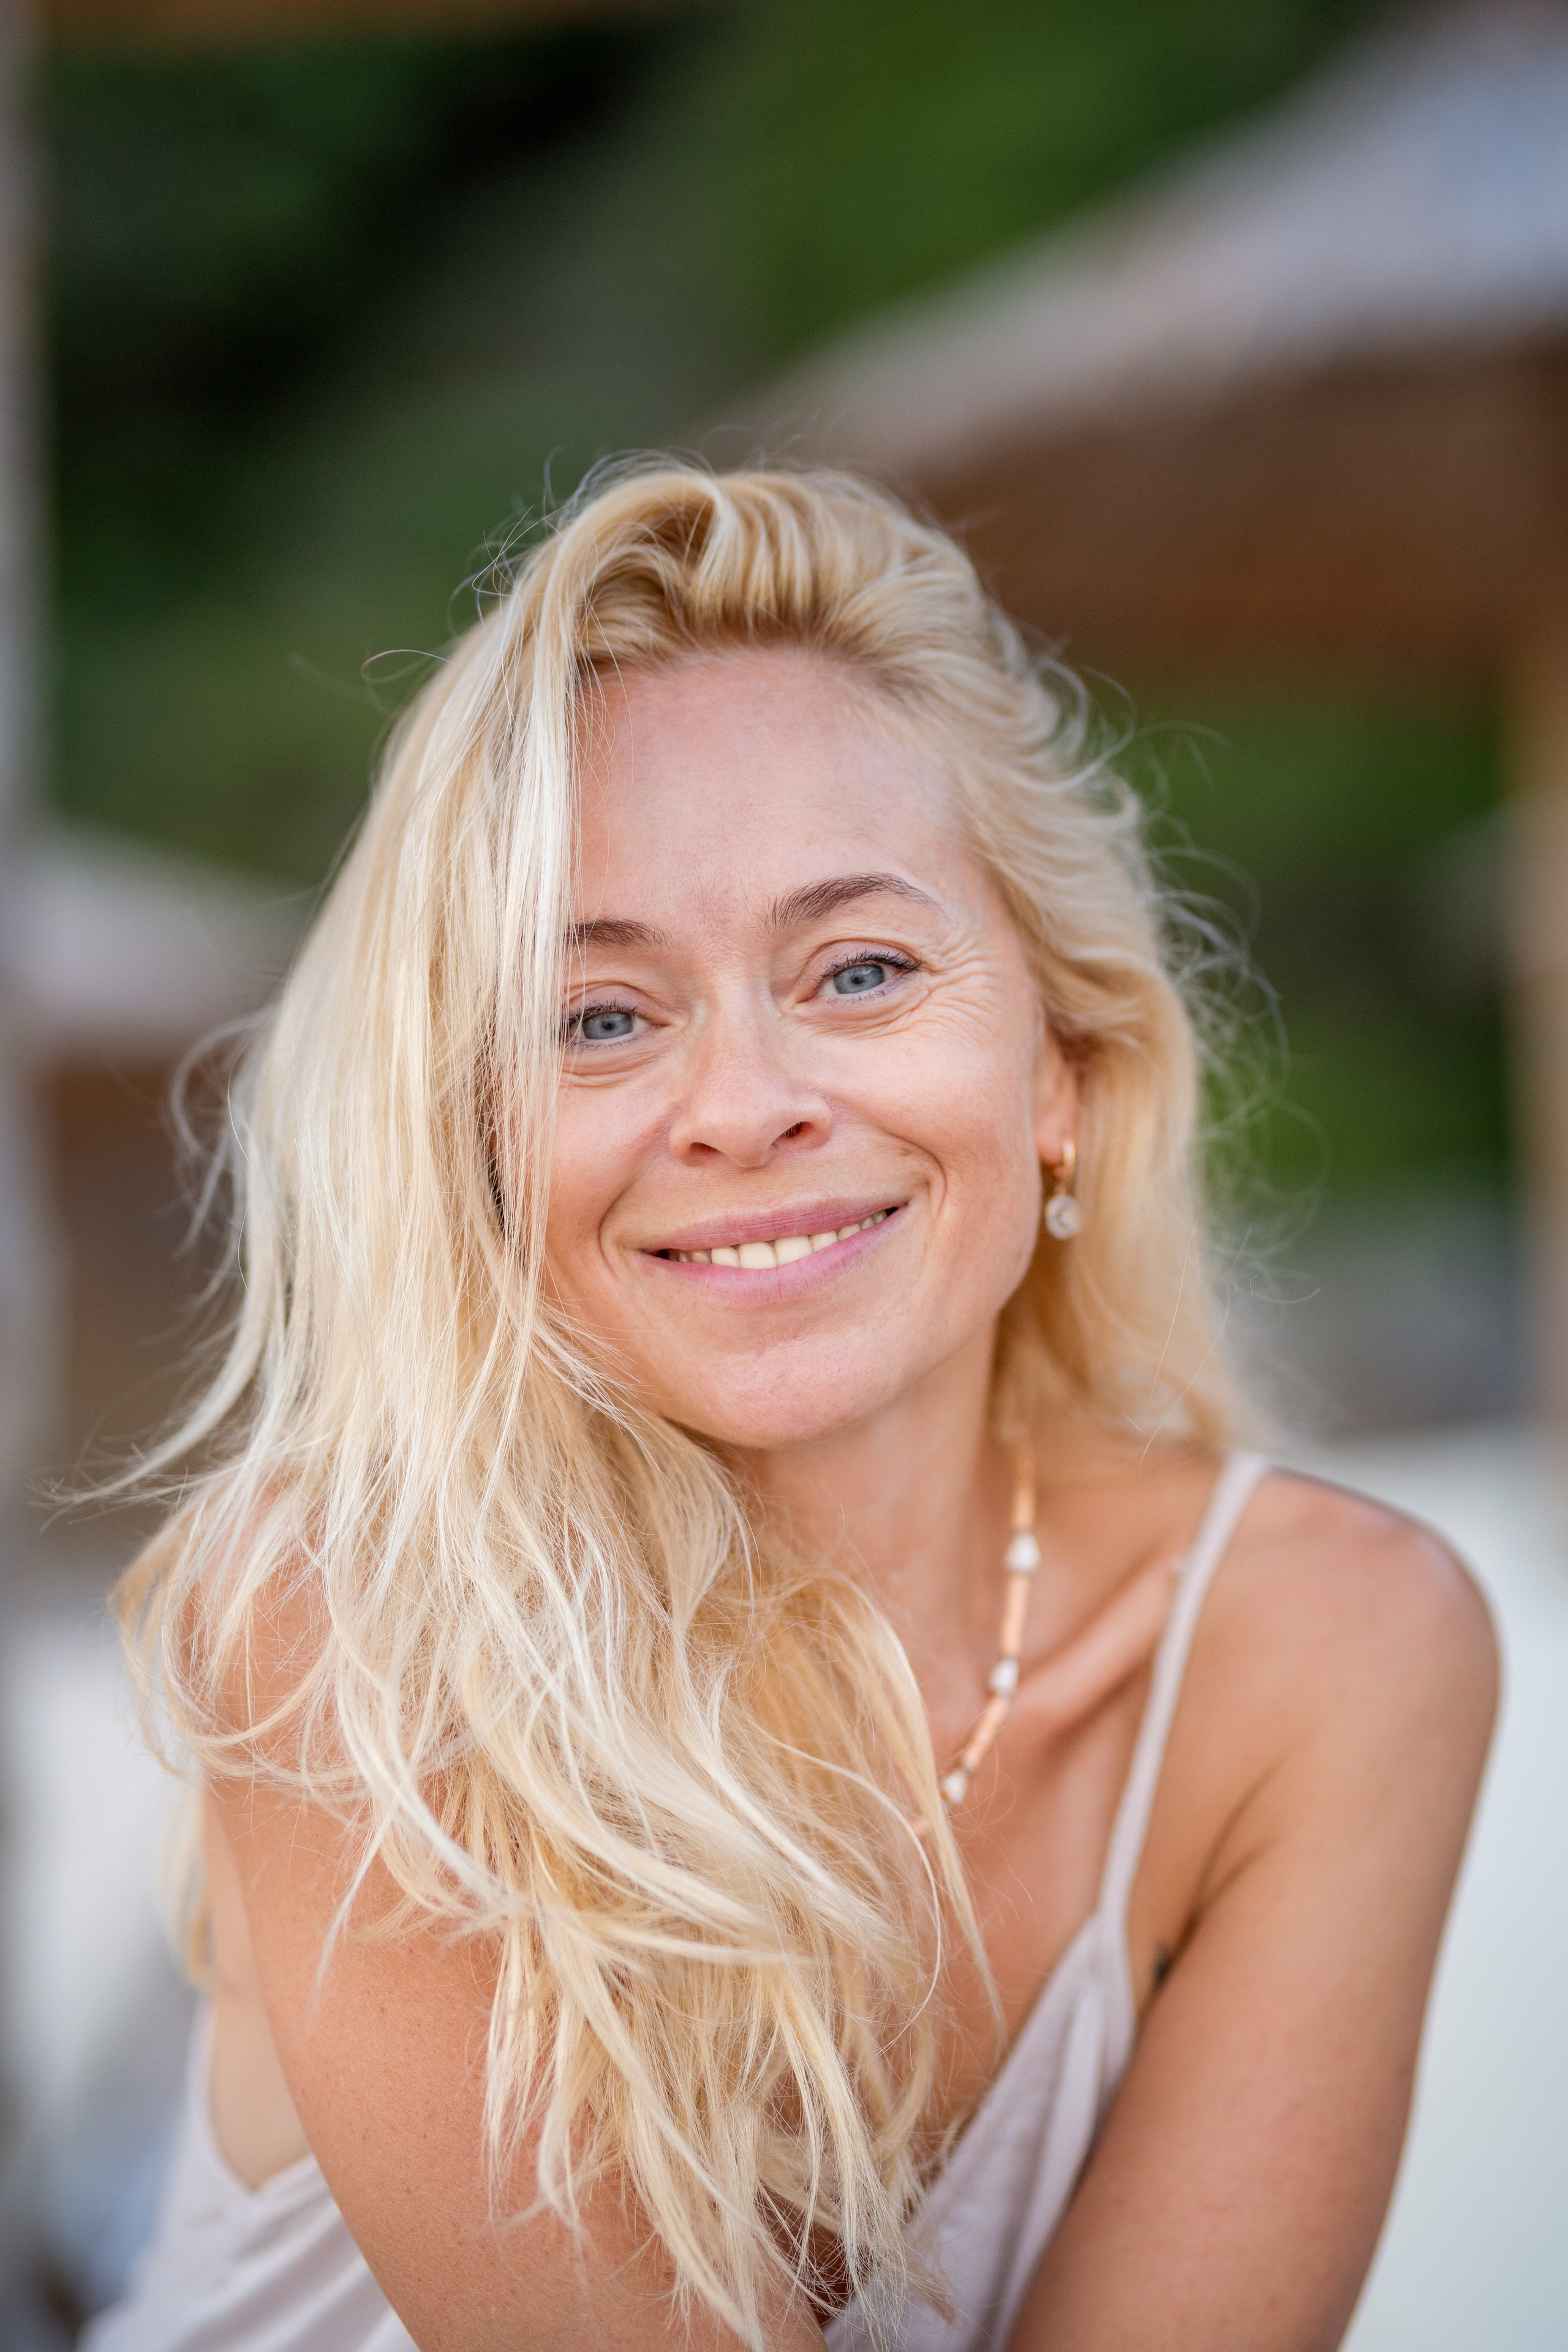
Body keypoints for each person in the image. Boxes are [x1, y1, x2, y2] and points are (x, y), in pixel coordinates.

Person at [88, 463, 1496, 2352]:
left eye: (860, 970)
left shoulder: (1326, 1653)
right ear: (478, 1152)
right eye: (598, 1017)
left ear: (1062, 1069)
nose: (742, 1104)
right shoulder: (349, 1641)